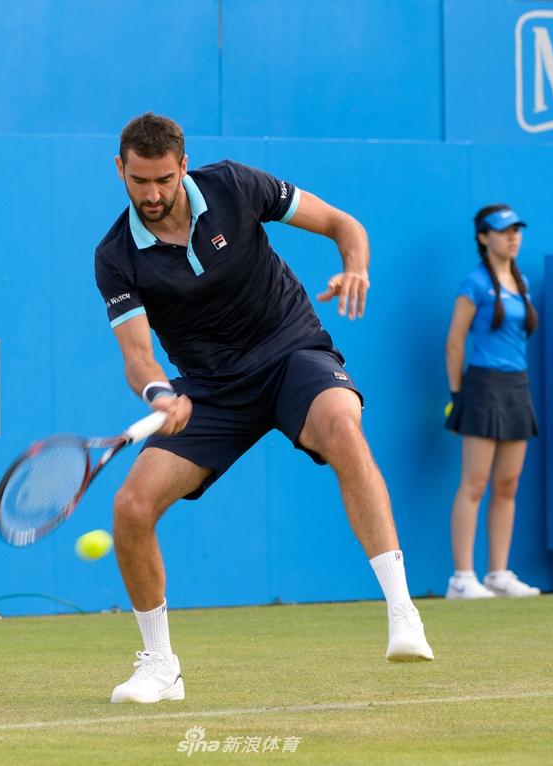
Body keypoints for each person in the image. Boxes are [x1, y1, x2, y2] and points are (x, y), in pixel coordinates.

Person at [94, 113, 433, 705]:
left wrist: (355, 266)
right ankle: (160, 666)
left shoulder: (234, 184)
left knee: (343, 431)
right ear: (120, 169)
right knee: (131, 507)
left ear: (183, 165)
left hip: (291, 352)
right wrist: (158, 395)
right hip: (210, 390)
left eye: (164, 180)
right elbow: (137, 356)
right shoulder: (116, 255)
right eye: (139, 180)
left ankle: (403, 613)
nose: (152, 194)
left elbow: (340, 223)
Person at [443, 205, 541, 600]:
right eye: (503, 231)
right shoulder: (474, 284)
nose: (513, 237)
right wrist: (457, 395)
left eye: (517, 230)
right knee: (475, 483)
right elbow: (454, 343)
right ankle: (462, 578)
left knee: (508, 483)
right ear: (484, 237)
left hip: (517, 387)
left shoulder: (522, 282)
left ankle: (498, 574)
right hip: (482, 387)